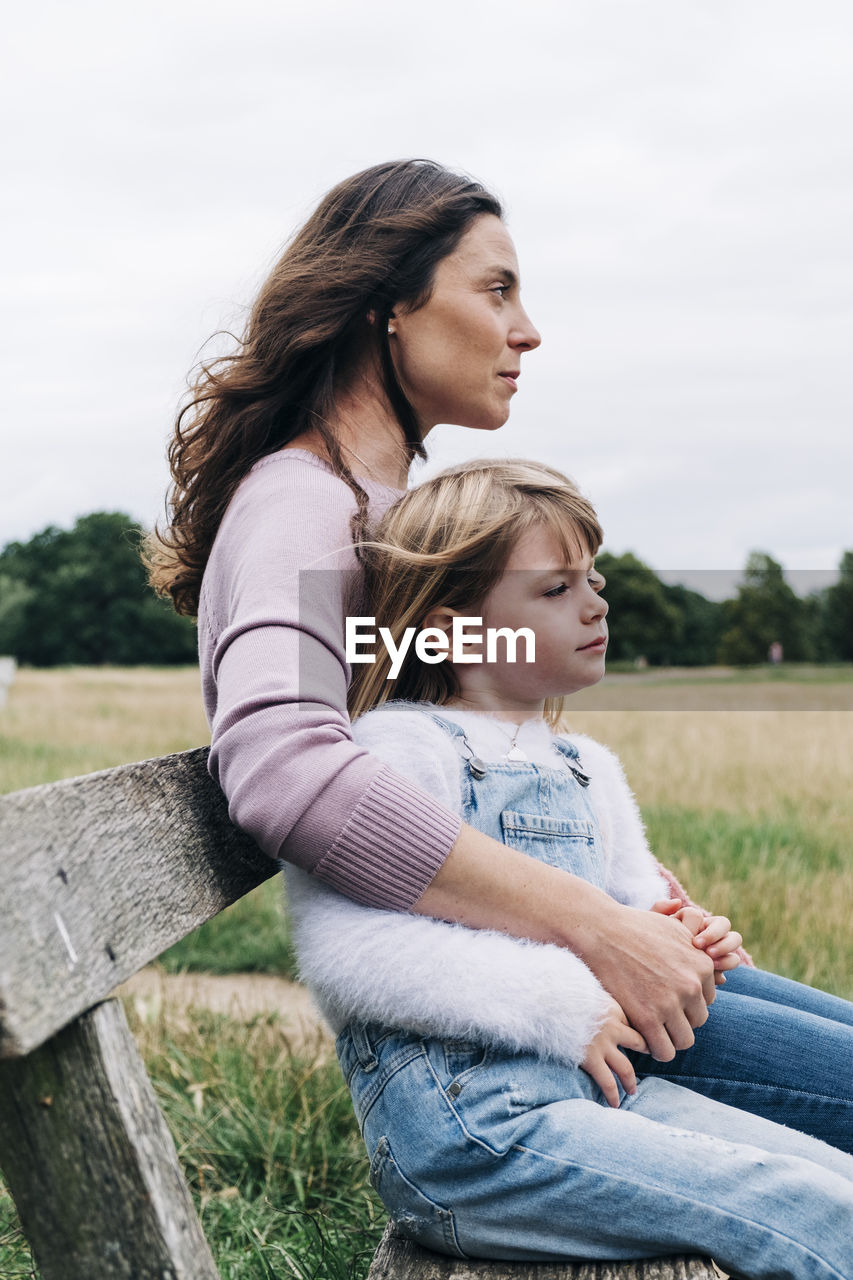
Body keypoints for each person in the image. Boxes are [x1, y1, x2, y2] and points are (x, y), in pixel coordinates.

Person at [146, 158, 718, 1060]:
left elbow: (476, 742)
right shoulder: (304, 508)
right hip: (478, 1026)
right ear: (391, 307)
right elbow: (281, 765)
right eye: (496, 291)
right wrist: (592, 924)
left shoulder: (382, 511)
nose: (525, 332)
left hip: (516, 987)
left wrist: (638, 896)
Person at [285, 458, 853, 1277]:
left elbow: (628, 917)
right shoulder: (404, 748)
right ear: (453, 630)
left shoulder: (584, 764)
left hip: (598, 1097)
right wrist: (564, 1003)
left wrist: (686, 940)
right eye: (554, 590)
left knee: (836, 1185)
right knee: (808, 1210)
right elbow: (348, 954)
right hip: (476, 1132)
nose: (595, 604)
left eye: (592, 579)